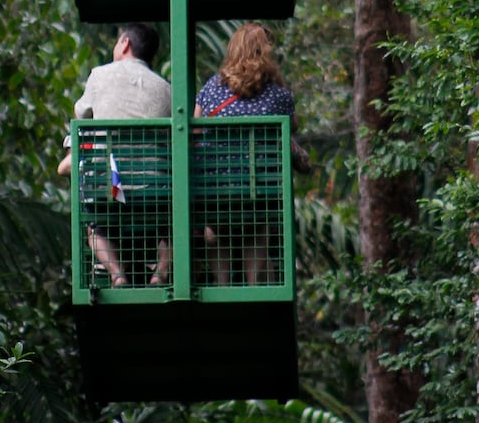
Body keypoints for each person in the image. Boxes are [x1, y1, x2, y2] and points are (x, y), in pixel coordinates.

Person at [57, 23, 170, 287]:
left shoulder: (99, 76)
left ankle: (117, 273)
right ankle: (160, 273)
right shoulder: (166, 88)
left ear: (125, 44)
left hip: (111, 188)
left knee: (94, 226)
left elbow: (81, 116)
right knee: (171, 227)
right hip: (152, 191)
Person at [191, 23, 304, 287]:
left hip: (216, 194)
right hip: (258, 195)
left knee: (216, 225)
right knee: (257, 223)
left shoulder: (210, 89)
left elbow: (195, 132)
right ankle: (254, 285)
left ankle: (222, 285)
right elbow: (292, 127)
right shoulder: (278, 96)